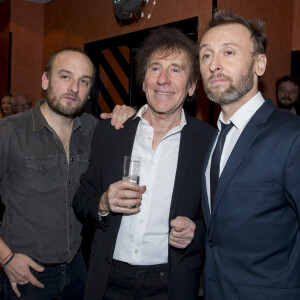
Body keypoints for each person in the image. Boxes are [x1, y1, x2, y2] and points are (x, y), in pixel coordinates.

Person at [73, 27, 216, 300]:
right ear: (143, 81)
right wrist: (103, 202)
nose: (163, 79)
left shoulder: (208, 142)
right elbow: (81, 199)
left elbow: (219, 223)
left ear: (192, 86)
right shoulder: (111, 131)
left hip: (170, 283)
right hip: (108, 280)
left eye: (176, 70)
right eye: (155, 68)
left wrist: (194, 234)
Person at [0, 47, 132, 300]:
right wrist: (6, 258)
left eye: (84, 81)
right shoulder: (9, 131)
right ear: (45, 80)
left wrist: (129, 112)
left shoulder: (94, 130)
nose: (74, 87)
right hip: (26, 272)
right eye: (65, 76)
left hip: (78, 268)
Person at [198, 9, 300, 300]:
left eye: (228, 52)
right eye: (206, 56)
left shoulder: (293, 136)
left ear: (259, 63)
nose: (214, 65)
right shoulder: (214, 136)